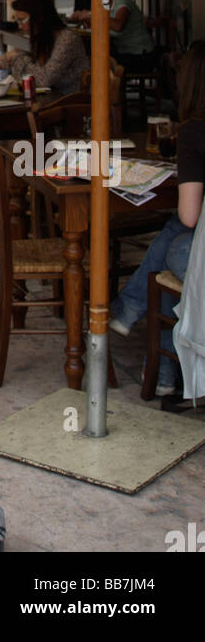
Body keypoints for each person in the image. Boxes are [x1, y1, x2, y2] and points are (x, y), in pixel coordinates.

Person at [109, 41, 205, 396]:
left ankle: (130, 312)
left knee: (172, 248)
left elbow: (190, 215)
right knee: (174, 239)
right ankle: (163, 372)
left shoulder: (194, 131)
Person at [0, 0, 87, 95]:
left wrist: (16, 57)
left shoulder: (67, 39)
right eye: (17, 21)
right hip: (51, 101)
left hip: (71, 104)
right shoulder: (43, 38)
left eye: (22, 20)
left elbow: (45, 79)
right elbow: (33, 71)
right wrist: (3, 64)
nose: (20, 26)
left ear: (39, 17)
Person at [77, 0, 156, 74]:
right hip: (124, 53)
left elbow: (118, 26)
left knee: (100, 65)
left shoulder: (122, 2)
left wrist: (91, 14)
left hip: (141, 57)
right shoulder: (104, 8)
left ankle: (108, 88)